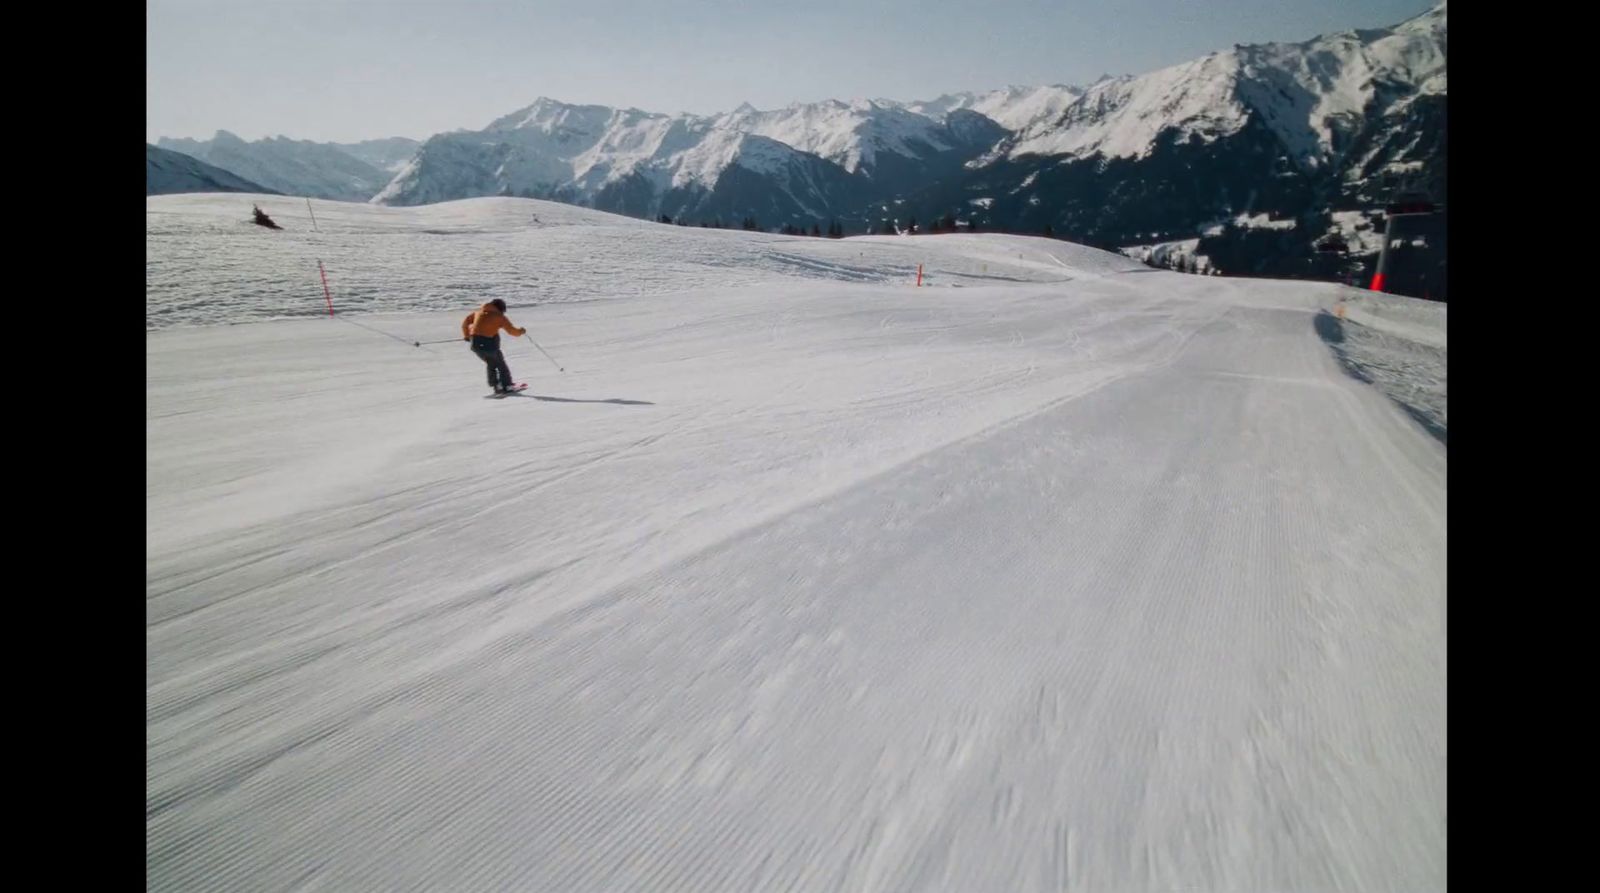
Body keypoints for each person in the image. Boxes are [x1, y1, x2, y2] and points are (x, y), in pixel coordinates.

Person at [461, 299, 526, 394]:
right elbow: (512, 331)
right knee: (501, 364)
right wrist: (521, 331)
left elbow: (465, 323)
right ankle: (507, 386)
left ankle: (497, 386)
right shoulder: (499, 317)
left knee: (491, 363)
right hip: (489, 344)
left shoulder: (478, 312)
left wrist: (467, 336)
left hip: (475, 344)